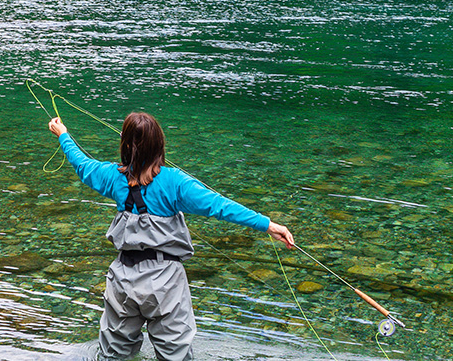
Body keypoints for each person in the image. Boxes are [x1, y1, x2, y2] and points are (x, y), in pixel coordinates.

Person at [48, 112, 294, 361]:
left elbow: (81, 164)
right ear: (160, 145)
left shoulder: (111, 177)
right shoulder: (175, 183)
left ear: (124, 145)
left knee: (113, 354)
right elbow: (220, 206)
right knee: (175, 356)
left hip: (121, 279)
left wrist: (64, 135)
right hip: (164, 282)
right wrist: (269, 226)